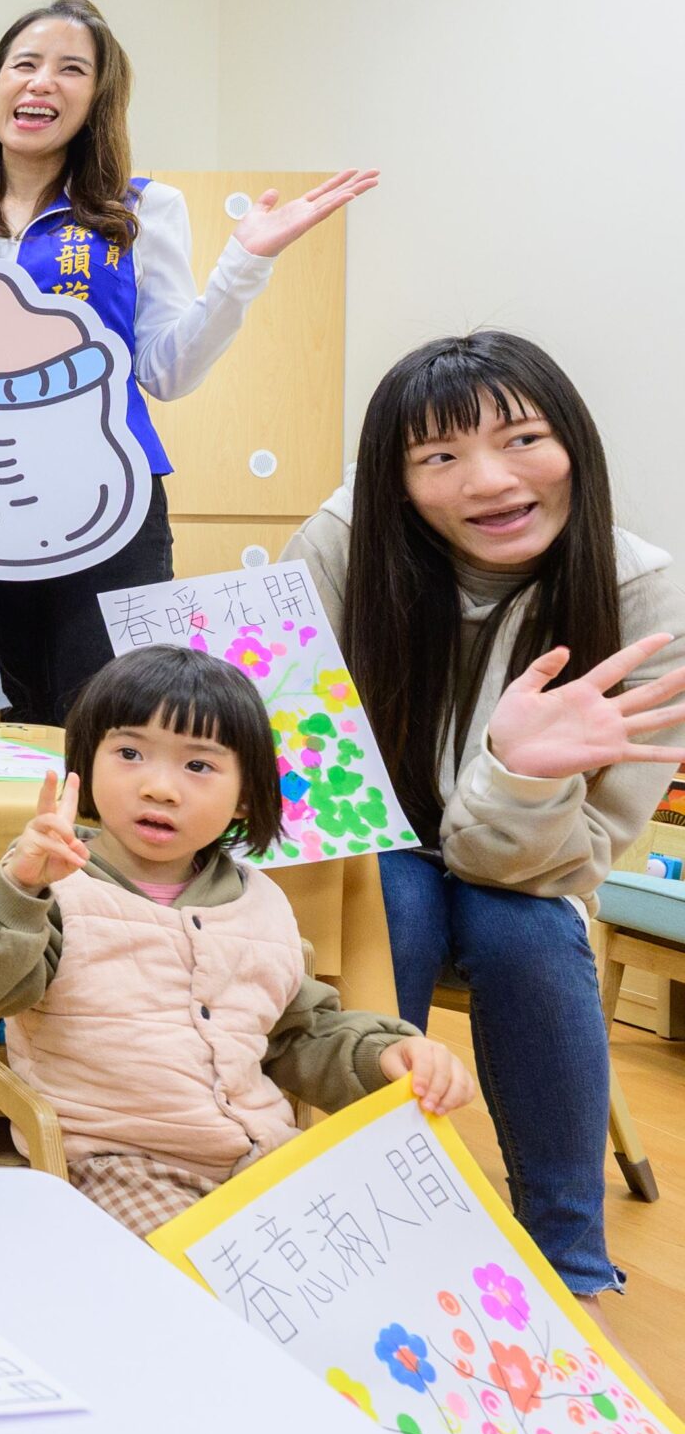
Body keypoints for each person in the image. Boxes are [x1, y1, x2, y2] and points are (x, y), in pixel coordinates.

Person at [282, 331, 685, 1309]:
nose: (490, 481)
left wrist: (512, 772)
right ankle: (358, 1221)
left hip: (528, 866)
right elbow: (293, 758)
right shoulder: (341, 542)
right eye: (439, 457)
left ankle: (565, 1263)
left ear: (574, 446)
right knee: (395, 901)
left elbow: (581, 854)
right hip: (368, 846)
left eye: (522, 440)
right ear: (398, 479)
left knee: (528, 932)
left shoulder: (640, 592)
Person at [0, 0, 377, 721]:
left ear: (98, 99)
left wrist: (244, 265)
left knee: (115, 705)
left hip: (112, 492)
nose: (42, 82)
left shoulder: (141, 210)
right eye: (25, 65)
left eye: (71, 70)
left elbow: (167, 371)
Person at [0, 646, 474, 1236]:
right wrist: (20, 888)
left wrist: (382, 1055)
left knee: (393, 1250)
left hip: (264, 1156)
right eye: (130, 753)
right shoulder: (57, 886)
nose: (160, 788)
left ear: (245, 795)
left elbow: (295, 1035)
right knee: (199, 1283)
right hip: (117, 1163)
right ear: (86, 765)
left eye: (199, 766)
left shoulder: (261, 903)